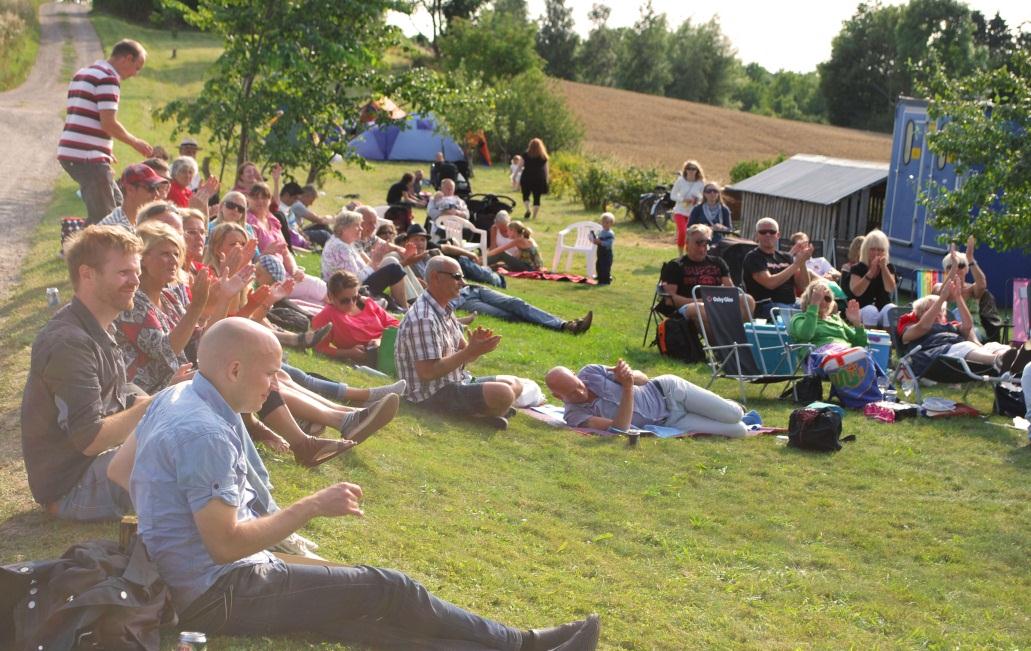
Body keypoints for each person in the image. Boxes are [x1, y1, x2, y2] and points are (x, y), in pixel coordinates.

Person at [114, 317, 599, 650]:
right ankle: (524, 642)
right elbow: (223, 546)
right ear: (234, 369)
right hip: (214, 592)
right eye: (270, 372)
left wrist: (169, 528)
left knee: (355, 617)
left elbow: (121, 472)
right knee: (389, 588)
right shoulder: (205, 432)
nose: (276, 383)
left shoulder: (179, 394)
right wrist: (311, 505)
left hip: (180, 582)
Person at [21, 226, 153, 521]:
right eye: (123, 273)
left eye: (137, 271)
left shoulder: (97, 326)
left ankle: (259, 518)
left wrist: (164, 402)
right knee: (181, 450)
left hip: (95, 469)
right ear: (87, 274)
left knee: (192, 426)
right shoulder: (69, 341)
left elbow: (120, 392)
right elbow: (89, 438)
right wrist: (154, 407)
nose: (135, 281)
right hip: (73, 489)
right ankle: (247, 529)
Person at [395, 256, 524, 429]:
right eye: (457, 276)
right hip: (429, 395)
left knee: (515, 383)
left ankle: (485, 412)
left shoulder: (444, 309)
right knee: (504, 393)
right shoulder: (424, 317)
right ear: (435, 277)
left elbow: (465, 356)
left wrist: (476, 349)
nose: (462, 282)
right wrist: (469, 352)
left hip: (454, 382)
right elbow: (427, 373)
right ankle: (483, 413)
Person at [58, 39, 153, 224]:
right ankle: (81, 250)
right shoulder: (108, 78)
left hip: (75, 152)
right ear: (127, 58)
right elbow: (108, 123)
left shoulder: (83, 73)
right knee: (107, 219)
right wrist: (135, 142)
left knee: (120, 208)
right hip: (86, 157)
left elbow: (84, 117)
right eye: (137, 67)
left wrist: (104, 149)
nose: (135, 74)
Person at [545, 360, 749, 438]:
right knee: (739, 430)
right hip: (670, 420)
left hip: (669, 390)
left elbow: (643, 378)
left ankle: (733, 406)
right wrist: (626, 387)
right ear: (558, 396)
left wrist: (629, 376)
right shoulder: (574, 414)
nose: (580, 392)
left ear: (575, 374)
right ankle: (711, 411)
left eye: (578, 385)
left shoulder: (590, 372)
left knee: (734, 414)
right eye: (571, 394)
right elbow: (619, 428)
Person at [898, 269, 1020, 378]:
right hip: (939, 358)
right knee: (965, 346)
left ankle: (1018, 359)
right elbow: (923, 327)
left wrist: (958, 297)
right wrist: (942, 299)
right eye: (931, 310)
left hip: (963, 353)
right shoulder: (911, 327)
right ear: (919, 313)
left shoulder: (950, 326)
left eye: (941, 311)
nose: (937, 313)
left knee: (993, 346)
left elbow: (967, 326)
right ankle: (999, 360)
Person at [789, 280, 882, 408]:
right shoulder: (800, 318)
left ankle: (873, 397)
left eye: (827, 298)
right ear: (809, 298)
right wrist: (813, 307)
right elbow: (806, 334)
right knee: (861, 354)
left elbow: (860, 343)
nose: (823, 301)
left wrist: (856, 323)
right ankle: (869, 400)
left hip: (845, 353)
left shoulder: (836, 320)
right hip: (820, 357)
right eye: (819, 297)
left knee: (862, 353)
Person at [660, 224, 754, 329]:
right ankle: (720, 343)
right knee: (699, 308)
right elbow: (669, 299)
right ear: (687, 244)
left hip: (717, 304)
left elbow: (731, 291)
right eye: (698, 242)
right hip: (688, 308)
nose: (702, 247)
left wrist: (716, 300)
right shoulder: (676, 265)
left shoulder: (718, 263)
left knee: (747, 299)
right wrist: (704, 301)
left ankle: (741, 337)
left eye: (706, 243)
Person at [321, 210, 409, 309]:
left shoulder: (346, 243)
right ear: (344, 228)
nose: (361, 228)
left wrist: (376, 261)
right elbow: (353, 281)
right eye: (357, 225)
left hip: (351, 286)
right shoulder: (340, 248)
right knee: (394, 269)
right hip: (345, 290)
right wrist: (374, 262)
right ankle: (404, 306)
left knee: (391, 262)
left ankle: (404, 304)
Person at [313, 271, 400, 366]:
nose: (351, 304)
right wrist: (349, 353)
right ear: (331, 297)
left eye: (354, 298)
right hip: (378, 359)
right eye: (344, 301)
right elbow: (318, 348)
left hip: (392, 347)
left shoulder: (365, 303)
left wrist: (380, 340)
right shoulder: (327, 315)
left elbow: (396, 325)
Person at [742, 217, 810, 320]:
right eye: (763, 232)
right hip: (767, 306)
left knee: (818, 309)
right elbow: (770, 283)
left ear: (778, 235)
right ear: (757, 235)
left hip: (792, 303)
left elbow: (804, 286)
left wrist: (802, 262)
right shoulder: (753, 257)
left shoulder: (786, 257)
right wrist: (796, 264)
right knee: (794, 316)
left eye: (772, 232)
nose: (767, 235)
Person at [847, 229, 898, 327]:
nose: (876, 253)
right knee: (871, 311)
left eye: (880, 250)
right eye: (873, 249)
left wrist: (883, 268)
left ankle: (890, 340)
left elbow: (890, 288)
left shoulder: (889, 268)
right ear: (866, 250)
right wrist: (871, 272)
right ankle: (869, 340)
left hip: (881, 309)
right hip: (861, 310)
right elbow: (857, 291)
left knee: (891, 309)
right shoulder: (857, 268)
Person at [97, 163, 167, 232]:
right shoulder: (116, 230)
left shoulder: (134, 219)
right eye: (151, 188)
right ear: (130, 190)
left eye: (157, 188)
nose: (157, 194)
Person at [670, 160, 704, 256]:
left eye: (693, 169)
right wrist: (683, 199)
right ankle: (680, 254)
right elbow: (672, 195)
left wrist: (697, 200)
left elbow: (703, 197)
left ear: (697, 171)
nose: (691, 171)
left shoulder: (700, 183)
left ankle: (689, 252)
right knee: (682, 231)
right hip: (680, 211)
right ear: (685, 170)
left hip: (693, 212)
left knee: (692, 234)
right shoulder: (680, 181)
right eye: (689, 169)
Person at [520, 138, 550, 220]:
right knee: (537, 198)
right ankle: (534, 216)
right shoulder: (543, 157)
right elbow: (546, 170)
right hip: (539, 178)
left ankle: (528, 209)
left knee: (525, 195)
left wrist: (515, 175)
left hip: (526, 177)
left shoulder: (525, 155)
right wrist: (547, 179)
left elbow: (520, 166)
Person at [589, 212, 615, 285]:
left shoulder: (610, 233)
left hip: (606, 253)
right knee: (599, 265)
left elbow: (608, 243)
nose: (605, 224)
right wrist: (594, 240)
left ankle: (606, 281)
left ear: (611, 224)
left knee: (605, 266)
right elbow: (598, 239)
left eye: (607, 223)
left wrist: (600, 242)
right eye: (603, 222)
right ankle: (600, 278)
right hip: (600, 252)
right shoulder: (601, 231)